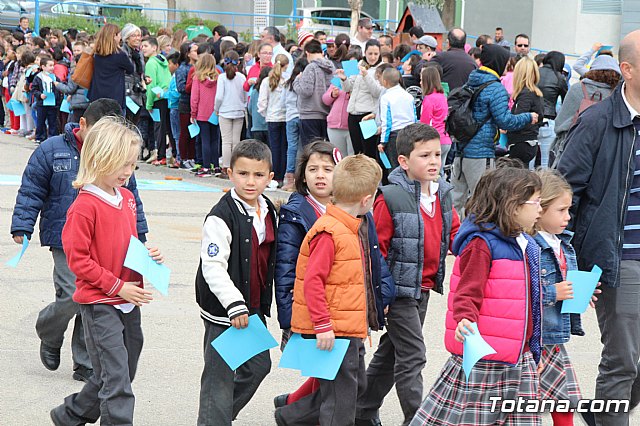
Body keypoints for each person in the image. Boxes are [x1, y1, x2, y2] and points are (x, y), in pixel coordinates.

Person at [10, 98, 149, 385]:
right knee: (72, 295)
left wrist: (141, 239)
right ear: (83, 124)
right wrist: (22, 225)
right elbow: (32, 188)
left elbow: (131, 202)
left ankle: (84, 362)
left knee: (94, 297)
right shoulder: (52, 149)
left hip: (107, 242)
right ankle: (49, 331)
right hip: (64, 237)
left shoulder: (120, 159)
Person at [49, 116, 163, 426]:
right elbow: (79, 262)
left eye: (132, 165)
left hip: (129, 300)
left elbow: (127, 243)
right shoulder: (84, 206)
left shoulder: (126, 198)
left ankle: (70, 415)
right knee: (117, 382)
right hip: (100, 304)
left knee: (119, 372)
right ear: (99, 159)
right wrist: (116, 287)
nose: (129, 172)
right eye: (123, 165)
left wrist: (147, 254)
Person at [410, 165, 543, 426]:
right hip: (486, 358)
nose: (540, 208)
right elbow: (467, 290)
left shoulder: (525, 243)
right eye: (536, 202)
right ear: (513, 205)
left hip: (518, 355)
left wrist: (534, 347)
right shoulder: (481, 244)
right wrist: (464, 319)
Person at [556, 29, 640, 426]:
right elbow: (562, 192)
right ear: (627, 69)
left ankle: (601, 413)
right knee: (622, 361)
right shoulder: (596, 123)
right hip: (620, 259)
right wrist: (568, 262)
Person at [273, 140, 395, 409]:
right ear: (302, 174)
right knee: (338, 383)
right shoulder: (302, 215)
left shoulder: (358, 213)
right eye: (312, 168)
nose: (319, 175)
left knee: (345, 381)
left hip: (350, 310)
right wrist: (289, 317)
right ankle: (295, 411)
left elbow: (373, 260)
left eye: (327, 169)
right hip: (322, 313)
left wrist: (381, 297)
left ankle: (292, 412)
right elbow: (288, 269)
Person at [356, 123, 460, 426]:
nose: (433, 161)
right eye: (424, 155)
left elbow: (455, 235)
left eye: (437, 154)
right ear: (403, 161)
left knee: (392, 352)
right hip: (398, 293)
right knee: (413, 355)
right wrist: (380, 295)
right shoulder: (390, 197)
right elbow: (378, 252)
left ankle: (361, 409)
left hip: (423, 288)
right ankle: (418, 420)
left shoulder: (443, 194)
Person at [195, 140, 277, 425]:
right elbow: (213, 267)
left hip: (252, 307)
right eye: (243, 174)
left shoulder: (268, 209)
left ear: (270, 177)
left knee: (258, 366)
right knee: (219, 377)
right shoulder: (221, 216)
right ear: (230, 173)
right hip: (224, 310)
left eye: (258, 175)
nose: (250, 181)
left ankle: (217, 416)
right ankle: (214, 418)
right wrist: (234, 304)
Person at [532, 170, 595, 426]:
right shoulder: (529, 245)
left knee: (563, 398)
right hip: (534, 339)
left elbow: (565, 280)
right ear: (539, 208)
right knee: (527, 401)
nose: (568, 217)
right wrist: (552, 292)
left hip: (555, 335)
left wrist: (582, 291)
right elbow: (520, 291)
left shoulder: (563, 243)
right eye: (561, 210)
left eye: (569, 210)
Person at [451, 44, 536, 216]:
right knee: (482, 199)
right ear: (499, 62)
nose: (508, 65)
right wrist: (528, 117)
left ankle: (451, 236)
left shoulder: (473, 79)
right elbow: (505, 121)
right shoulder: (496, 88)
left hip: (461, 148)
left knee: (455, 200)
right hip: (480, 152)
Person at [551, 55, 620, 166]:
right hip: (605, 148)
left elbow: (561, 123)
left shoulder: (577, 88)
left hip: (574, 146)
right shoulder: (617, 94)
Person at [338, 39, 383, 158]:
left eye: (376, 54)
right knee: (357, 151)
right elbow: (348, 88)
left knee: (369, 152)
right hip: (353, 114)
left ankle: (371, 176)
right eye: (370, 54)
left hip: (368, 115)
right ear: (365, 53)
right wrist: (343, 79)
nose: (373, 57)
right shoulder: (358, 65)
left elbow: (377, 92)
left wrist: (366, 76)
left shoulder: (381, 68)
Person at [293, 39, 335, 145]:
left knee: (311, 149)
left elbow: (306, 91)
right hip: (327, 113)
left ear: (307, 53)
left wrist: (297, 81)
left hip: (309, 114)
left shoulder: (310, 67)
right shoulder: (331, 67)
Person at [215, 50, 247, 177]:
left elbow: (219, 97)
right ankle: (235, 167)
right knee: (236, 141)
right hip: (238, 111)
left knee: (226, 141)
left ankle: (226, 167)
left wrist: (216, 108)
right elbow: (245, 95)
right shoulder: (242, 77)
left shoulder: (222, 77)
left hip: (224, 111)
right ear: (238, 62)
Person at [506, 57, 544, 166]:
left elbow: (518, 119)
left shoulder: (526, 94)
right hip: (529, 142)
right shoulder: (535, 93)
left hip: (521, 143)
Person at [258, 53, 289, 184]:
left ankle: (274, 175)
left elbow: (262, 103)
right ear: (286, 66)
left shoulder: (266, 81)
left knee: (274, 148)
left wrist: (266, 114)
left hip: (272, 117)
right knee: (284, 148)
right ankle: (282, 175)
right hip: (285, 117)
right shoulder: (287, 81)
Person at [142, 37, 173, 166]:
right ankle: (172, 154)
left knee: (158, 128)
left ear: (154, 47)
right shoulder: (163, 60)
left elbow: (151, 86)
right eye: (142, 46)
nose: (143, 48)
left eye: (146, 46)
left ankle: (161, 156)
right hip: (166, 96)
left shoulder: (150, 63)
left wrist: (149, 104)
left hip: (156, 99)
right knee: (167, 127)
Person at [88, 24, 133, 111]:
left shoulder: (96, 54)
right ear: (114, 36)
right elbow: (130, 69)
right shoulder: (120, 55)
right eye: (119, 35)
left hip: (96, 95)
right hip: (114, 96)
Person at [378, 68, 416, 168]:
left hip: (394, 136)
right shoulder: (408, 96)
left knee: (394, 167)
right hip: (410, 133)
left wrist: (383, 142)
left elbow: (386, 122)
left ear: (385, 81)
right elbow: (414, 117)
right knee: (408, 164)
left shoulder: (386, 98)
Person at [190, 53, 221, 177]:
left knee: (205, 140)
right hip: (215, 113)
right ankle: (216, 165)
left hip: (202, 113)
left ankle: (206, 166)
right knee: (215, 140)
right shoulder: (219, 77)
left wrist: (193, 113)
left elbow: (194, 97)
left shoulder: (197, 78)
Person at [537, 51, 567, 168]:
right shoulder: (559, 78)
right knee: (546, 163)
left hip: (530, 118)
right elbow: (566, 101)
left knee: (529, 162)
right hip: (548, 120)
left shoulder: (535, 73)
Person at [419, 66, 451, 174]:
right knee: (439, 172)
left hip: (434, 140)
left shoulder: (429, 99)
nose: (420, 83)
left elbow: (424, 123)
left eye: (421, 79)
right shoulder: (442, 96)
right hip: (445, 139)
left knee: (432, 173)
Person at [282, 57, 307, 191]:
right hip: (304, 116)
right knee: (303, 148)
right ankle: (300, 178)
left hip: (290, 117)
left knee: (291, 148)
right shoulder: (305, 81)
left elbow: (282, 102)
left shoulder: (288, 83)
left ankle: (289, 179)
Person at [175, 41, 199, 169]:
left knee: (194, 134)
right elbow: (181, 87)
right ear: (188, 54)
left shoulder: (201, 66)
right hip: (186, 103)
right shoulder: (183, 68)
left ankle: (192, 157)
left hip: (198, 104)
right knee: (185, 132)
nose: (197, 53)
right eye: (195, 51)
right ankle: (183, 158)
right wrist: (193, 85)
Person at [322, 73, 353, 156]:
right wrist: (332, 94)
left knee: (351, 156)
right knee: (338, 155)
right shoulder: (337, 80)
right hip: (334, 125)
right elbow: (325, 100)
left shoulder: (358, 80)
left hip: (351, 126)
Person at [121, 24, 145, 125]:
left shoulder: (139, 54)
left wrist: (145, 78)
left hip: (138, 94)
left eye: (138, 35)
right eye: (134, 36)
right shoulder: (122, 53)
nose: (137, 38)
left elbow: (140, 72)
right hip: (127, 94)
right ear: (126, 38)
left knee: (134, 125)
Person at [32, 55, 60, 144]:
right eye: (50, 65)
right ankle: (40, 137)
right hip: (42, 103)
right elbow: (34, 89)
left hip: (53, 104)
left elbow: (59, 88)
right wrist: (40, 95)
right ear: (43, 67)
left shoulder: (55, 77)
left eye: (53, 65)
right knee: (41, 121)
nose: (52, 68)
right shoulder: (38, 77)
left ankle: (52, 138)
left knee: (53, 121)